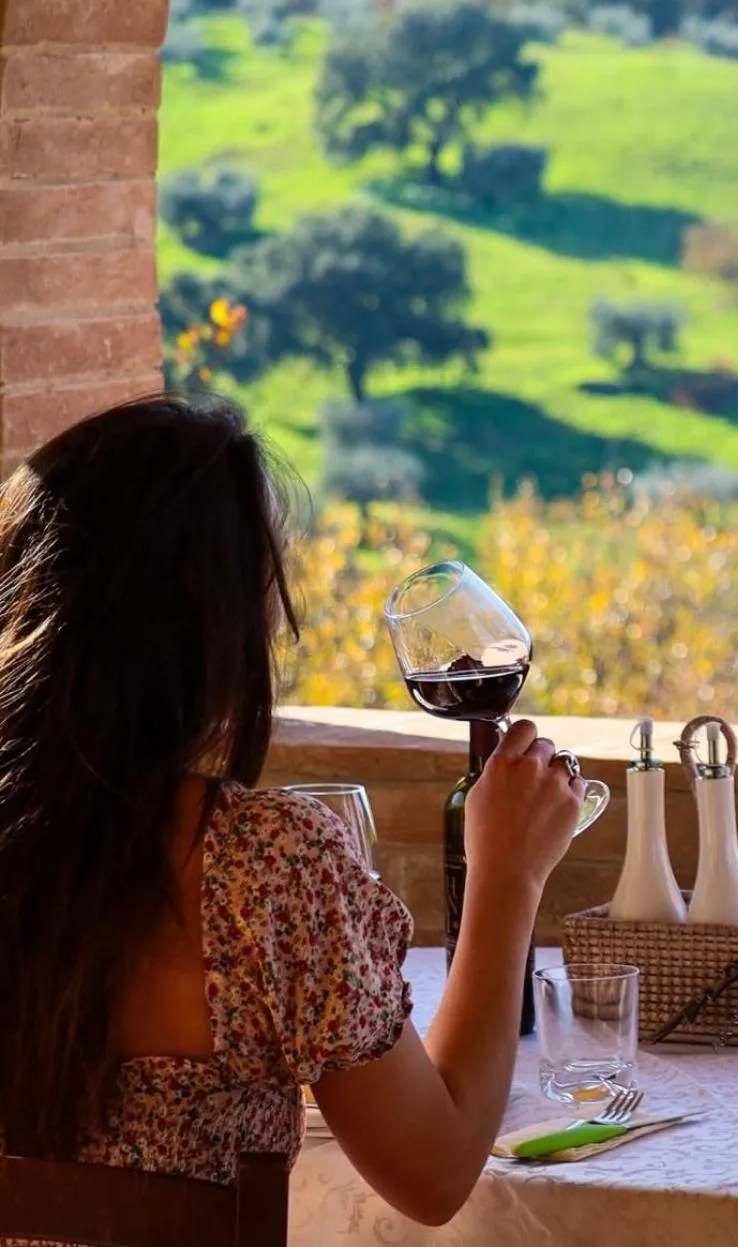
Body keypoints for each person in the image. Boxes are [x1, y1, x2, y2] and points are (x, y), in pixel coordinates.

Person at [0, 397, 582, 1228]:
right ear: (209, 626)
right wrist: (508, 875)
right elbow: (436, 1172)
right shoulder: (261, 871)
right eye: (266, 580)